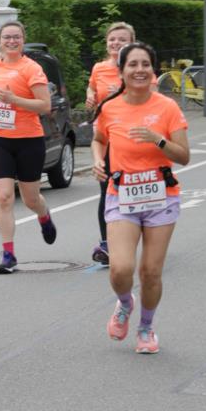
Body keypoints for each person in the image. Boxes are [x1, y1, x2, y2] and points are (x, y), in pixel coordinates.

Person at [91, 42, 189, 354]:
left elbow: (184, 156)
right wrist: (97, 159)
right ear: (121, 71)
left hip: (161, 196)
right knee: (120, 268)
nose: (139, 70)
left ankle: (146, 328)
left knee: (150, 272)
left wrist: (158, 140)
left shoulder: (167, 108)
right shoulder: (110, 108)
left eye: (145, 64)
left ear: (153, 71)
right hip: (122, 196)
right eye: (132, 64)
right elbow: (97, 138)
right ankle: (124, 303)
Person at [0, 20, 56, 273]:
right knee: (4, 196)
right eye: (7, 37)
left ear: (23, 40)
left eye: (16, 37)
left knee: (31, 198)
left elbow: (44, 106)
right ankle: (8, 254)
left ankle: (43, 215)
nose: (11, 41)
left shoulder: (31, 68)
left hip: (28, 140)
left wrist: (14, 99)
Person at [85, 22, 136, 265]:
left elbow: (152, 97)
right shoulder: (99, 68)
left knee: (129, 191)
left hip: (131, 140)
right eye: (112, 39)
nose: (116, 43)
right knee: (106, 191)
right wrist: (89, 95)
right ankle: (106, 244)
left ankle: (137, 234)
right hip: (105, 138)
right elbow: (93, 88)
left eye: (122, 40)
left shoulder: (137, 67)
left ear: (131, 43)